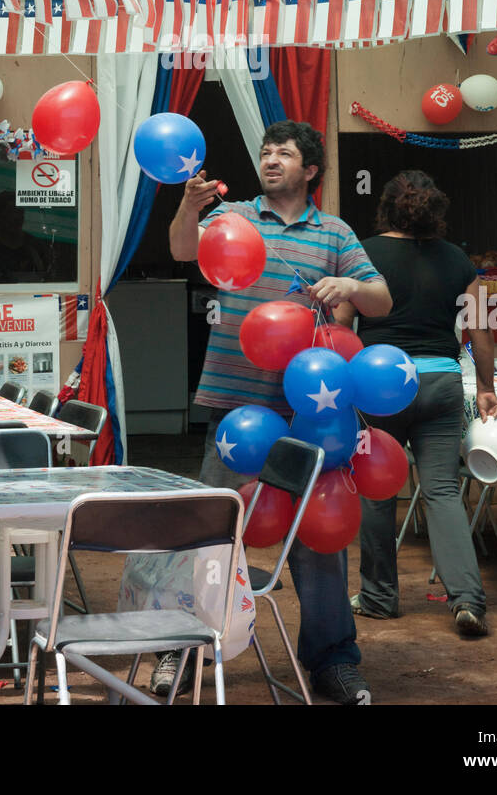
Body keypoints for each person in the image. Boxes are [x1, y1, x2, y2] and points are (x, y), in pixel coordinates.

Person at [155, 119, 392, 704]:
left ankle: (333, 662)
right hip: (231, 402)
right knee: (209, 535)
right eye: (266, 152)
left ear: (310, 170)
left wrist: (349, 289)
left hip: (310, 413)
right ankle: (179, 651)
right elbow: (183, 249)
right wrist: (189, 205)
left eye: (284, 153)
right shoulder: (230, 219)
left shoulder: (334, 233)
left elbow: (382, 297)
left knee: (319, 542)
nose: (271, 160)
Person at [351, 170, 497, 637]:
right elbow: (478, 330)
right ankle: (467, 600)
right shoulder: (457, 260)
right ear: (435, 210)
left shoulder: (364, 254)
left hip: (380, 383)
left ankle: (379, 597)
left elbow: (339, 328)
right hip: (440, 381)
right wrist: (485, 386)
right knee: (439, 491)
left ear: (387, 207)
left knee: (378, 490)